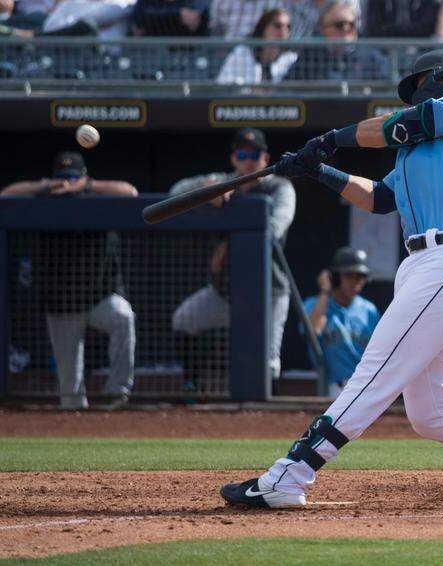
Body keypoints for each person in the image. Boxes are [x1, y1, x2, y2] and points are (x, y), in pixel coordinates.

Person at [219, 49, 443, 508]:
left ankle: (289, 476)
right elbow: (378, 197)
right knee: (433, 414)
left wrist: (331, 139)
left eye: (420, 86)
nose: (415, 97)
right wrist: (319, 170)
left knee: (373, 374)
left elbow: (407, 124)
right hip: (427, 266)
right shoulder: (420, 152)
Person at [1, 151, 138, 409]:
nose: (67, 183)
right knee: (70, 393)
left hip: (100, 297)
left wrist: (87, 185)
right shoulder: (43, 202)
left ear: (84, 176)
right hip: (61, 303)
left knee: (123, 317)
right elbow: (6, 195)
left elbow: (130, 192)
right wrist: (45, 186)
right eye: (62, 177)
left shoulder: (96, 197)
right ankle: (76, 425)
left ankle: (117, 392)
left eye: (73, 176)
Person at [170, 128, 296, 387]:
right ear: (233, 159)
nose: (248, 160)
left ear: (265, 158)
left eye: (255, 154)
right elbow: (176, 192)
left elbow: (273, 228)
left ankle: (260, 420)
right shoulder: (223, 180)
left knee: (268, 363)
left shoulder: (279, 186)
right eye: (242, 154)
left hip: (268, 292)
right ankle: (192, 386)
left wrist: (227, 245)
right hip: (226, 292)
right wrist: (206, 189)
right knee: (184, 319)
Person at [305, 247, 381, 397]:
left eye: (360, 276)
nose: (355, 282)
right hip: (333, 387)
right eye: (348, 275)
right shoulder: (316, 305)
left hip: (366, 386)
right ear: (335, 277)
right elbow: (314, 330)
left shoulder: (369, 310)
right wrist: (325, 291)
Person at [291, 0, 385, 81]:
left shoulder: (370, 56)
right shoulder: (310, 56)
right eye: (339, 25)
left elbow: (389, 87)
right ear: (323, 29)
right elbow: (290, 88)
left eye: (351, 24)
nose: (346, 28)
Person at [217, 7, 298, 84]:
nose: (284, 30)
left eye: (288, 27)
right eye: (277, 26)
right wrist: (248, 89)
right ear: (263, 28)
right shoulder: (241, 53)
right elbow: (223, 82)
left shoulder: (291, 59)